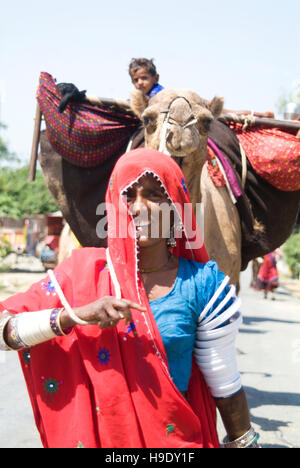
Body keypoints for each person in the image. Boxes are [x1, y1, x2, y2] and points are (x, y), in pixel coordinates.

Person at [0, 148, 260, 448]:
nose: (140, 207)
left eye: (154, 194)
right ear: (113, 206)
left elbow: (225, 383)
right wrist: (73, 316)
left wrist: (246, 442)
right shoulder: (79, 273)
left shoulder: (203, 283)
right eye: (128, 195)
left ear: (176, 206)